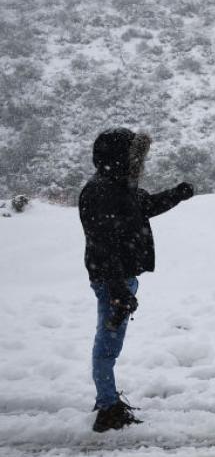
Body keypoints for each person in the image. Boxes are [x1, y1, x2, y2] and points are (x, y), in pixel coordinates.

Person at [79, 128, 194, 432]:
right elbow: (103, 246)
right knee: (107, 346)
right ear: (119, 157)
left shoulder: (119, 185)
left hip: (120, 278)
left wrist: (177, 195)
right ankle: (108, 409)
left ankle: (108, 401)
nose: (140, 163)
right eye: (135, 156)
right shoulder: (100, 192)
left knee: (110, 344)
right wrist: (118, 291)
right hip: (111, 281)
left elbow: (146, 206)